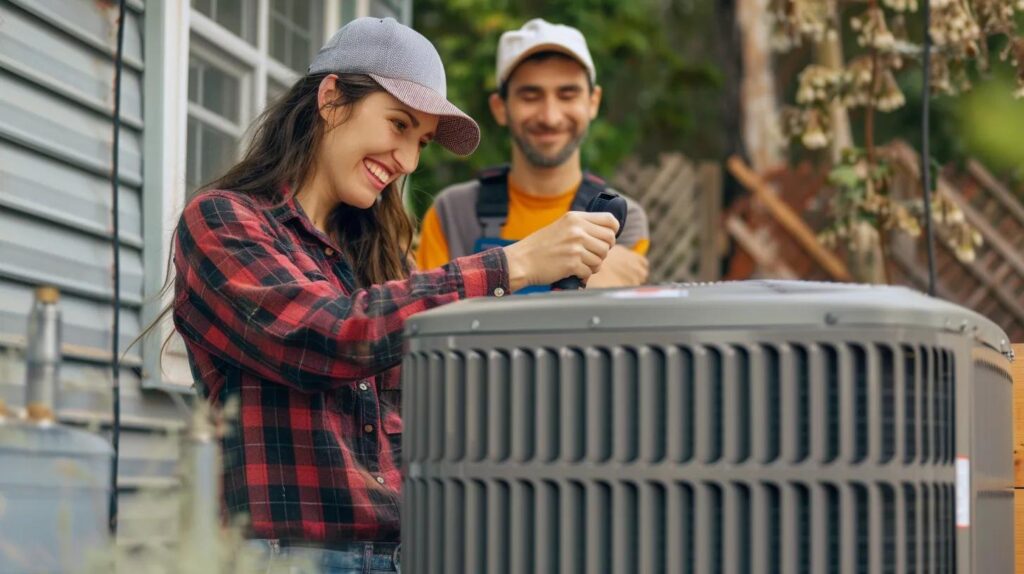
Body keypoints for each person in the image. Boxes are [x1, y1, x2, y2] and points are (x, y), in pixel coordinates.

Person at [170, 17, 619, 574]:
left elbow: (442, 408)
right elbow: (330, 334)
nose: (408, 161)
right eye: (399, 124)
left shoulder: (379, 260)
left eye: (422, 142)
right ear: (332, 99)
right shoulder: (222, 221)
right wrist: (514, 263)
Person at [416, 18, 650, 290]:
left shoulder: (620, 219)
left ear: (593, 102)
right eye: (530, 96)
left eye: (567, 94)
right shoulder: (453, 213)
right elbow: (426, 314)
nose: (550, 117)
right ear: (500, 107)